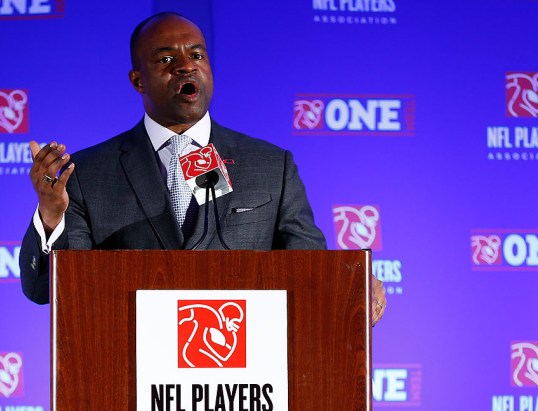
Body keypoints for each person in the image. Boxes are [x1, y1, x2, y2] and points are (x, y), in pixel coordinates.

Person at [19, 12, 386, 324]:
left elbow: (310, 273)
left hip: (245, 373)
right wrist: (51, 216)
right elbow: (46, 291)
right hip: (132, 372)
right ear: (138, 80)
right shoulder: (88, 173)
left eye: (196, 55)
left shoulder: (272, 166)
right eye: (166, 59)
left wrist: (349, 289)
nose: (185, 66)